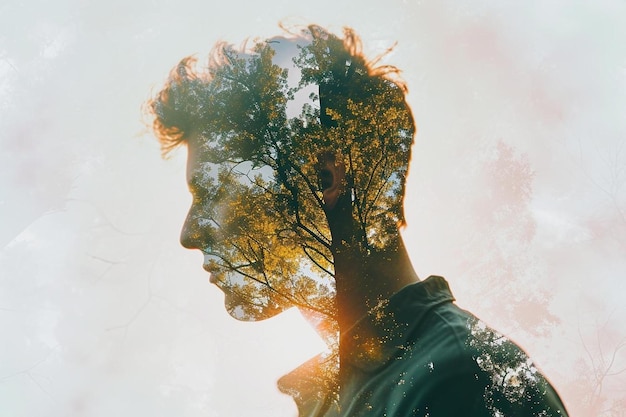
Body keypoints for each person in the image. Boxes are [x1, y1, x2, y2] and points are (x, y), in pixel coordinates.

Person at [146, 25, 569, 416]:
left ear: (324, 178)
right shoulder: (350, 393)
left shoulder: (460, 382)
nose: (189, 234)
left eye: (213, 191)